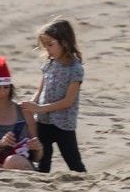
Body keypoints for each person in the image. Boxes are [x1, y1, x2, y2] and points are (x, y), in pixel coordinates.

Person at [20, 19, 87, 173]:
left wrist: (40, 108)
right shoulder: (49, 64)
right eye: (45, 45)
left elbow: (68, 101)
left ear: (64, 42)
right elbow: (40, 89)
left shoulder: (75, 69)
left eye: (50, 44)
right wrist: (30, 104)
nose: (47, 49)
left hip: (64, 124)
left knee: (75, 164)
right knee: (43, 165)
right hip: (43, 122)